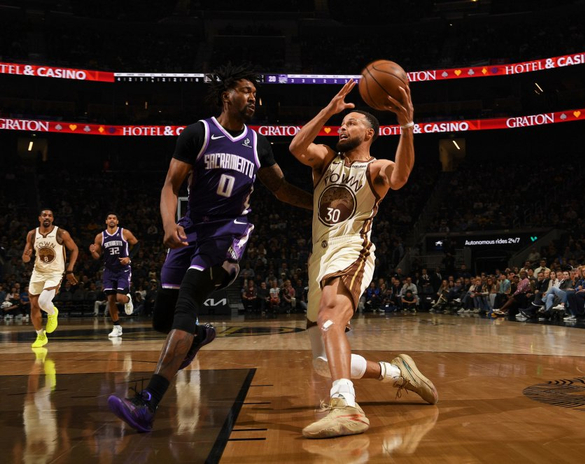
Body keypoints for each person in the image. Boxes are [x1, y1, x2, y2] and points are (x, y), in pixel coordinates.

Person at [108, 63, 312, 432]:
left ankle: (147, 403)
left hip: (229, 232)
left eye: (256, 93)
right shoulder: (198, 133)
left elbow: (281, 189)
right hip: (191, 230)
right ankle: (198, 336)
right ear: (226, 96)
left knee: (188, 298)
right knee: (163, 320)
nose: (253, 98)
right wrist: (168, 224)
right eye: (246, 91)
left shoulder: (258, 144)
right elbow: (170, 186)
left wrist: (320, 204)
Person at [289, 79, 437, 439]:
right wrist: (330, 109)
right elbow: (296, 147)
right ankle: (397, 373)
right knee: (323, 361)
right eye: (341, 124)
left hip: (352, 250)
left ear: (369, 133)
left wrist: (407, 125)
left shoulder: (376, 168)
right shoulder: (325, 160)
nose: (342, 128)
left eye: (351, 123)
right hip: (319, 257)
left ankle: (347, 407)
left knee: (330, 317)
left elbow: (400, 177)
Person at [22, 209, 79, 348]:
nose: (46, 217)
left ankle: (52, 312)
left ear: (52, 219)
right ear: (39, 218)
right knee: (34, 306)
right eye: (44, 215)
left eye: (49, 215)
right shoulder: (32, 234)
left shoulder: (61, 233)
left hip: (55, 273)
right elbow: (25, 258)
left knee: (43, 301)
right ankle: (40, 336)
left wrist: (70, 269)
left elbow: (75, 249)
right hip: (38, 272)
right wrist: (27, 256)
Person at [89, 213, 139, 338]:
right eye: (109, 218)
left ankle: (128, 299)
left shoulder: (124, 233)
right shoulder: (100, 236)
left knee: (120, 298)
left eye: (114, 218)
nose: (112, 220)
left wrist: (129, 258)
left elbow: (137, 244)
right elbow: (97, 256)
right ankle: (117, 327)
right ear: (106, 221)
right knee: (110, 299)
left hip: (123, 269)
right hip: (109, 270)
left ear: (117, 221)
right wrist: (93, 252)